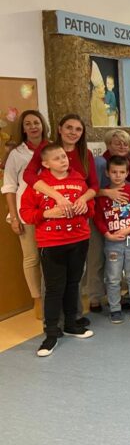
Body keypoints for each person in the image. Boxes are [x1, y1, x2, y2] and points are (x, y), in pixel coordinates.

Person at [20, 144, 95, 357]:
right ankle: (51, 332)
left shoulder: (78, 180)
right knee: (54, 288)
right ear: (45, 163)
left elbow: (91, 209)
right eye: (57, 158)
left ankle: (71, 323)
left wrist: (85, 208)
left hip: (79, 239)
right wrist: (46, 214)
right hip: (52, 243)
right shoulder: (39, 185)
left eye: (64, 156)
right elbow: (26, 213)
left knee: (73, 283)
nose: (63, 161)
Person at [24, 114, 99, 312]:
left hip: (77, 221)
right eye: (69, 127)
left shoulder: (85, 153)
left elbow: (93, 185)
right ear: (59, 129)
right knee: (53, 279)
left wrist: (83, 199)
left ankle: (74, 317)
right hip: (52, 223)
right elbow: (28, 176)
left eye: (78, 129)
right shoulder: (46, 150)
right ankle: (52, 320)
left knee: (76, 275)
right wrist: (56, 196)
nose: (73, 132)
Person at [2, 109, 49, 317]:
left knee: (51, 258)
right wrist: (13, 217)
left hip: (51, 211)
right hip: (26, 212)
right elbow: (10, 187)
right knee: (32, 257)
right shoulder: (16, 154)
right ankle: (37, 299)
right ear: (23, 128)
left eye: (36, 122)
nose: (33, 127)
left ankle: (51, 297)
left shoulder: (53, 148)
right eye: (28, 124)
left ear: (42, 125)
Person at [93, 155, 130, 324]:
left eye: (121, 172)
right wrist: (106, 233)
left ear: (127, 173)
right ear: (107, 173)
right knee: (113, 277)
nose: (117, 175)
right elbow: (98, 217)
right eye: (114, 172)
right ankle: (115, 308)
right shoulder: (103, 194)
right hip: (112, 241)